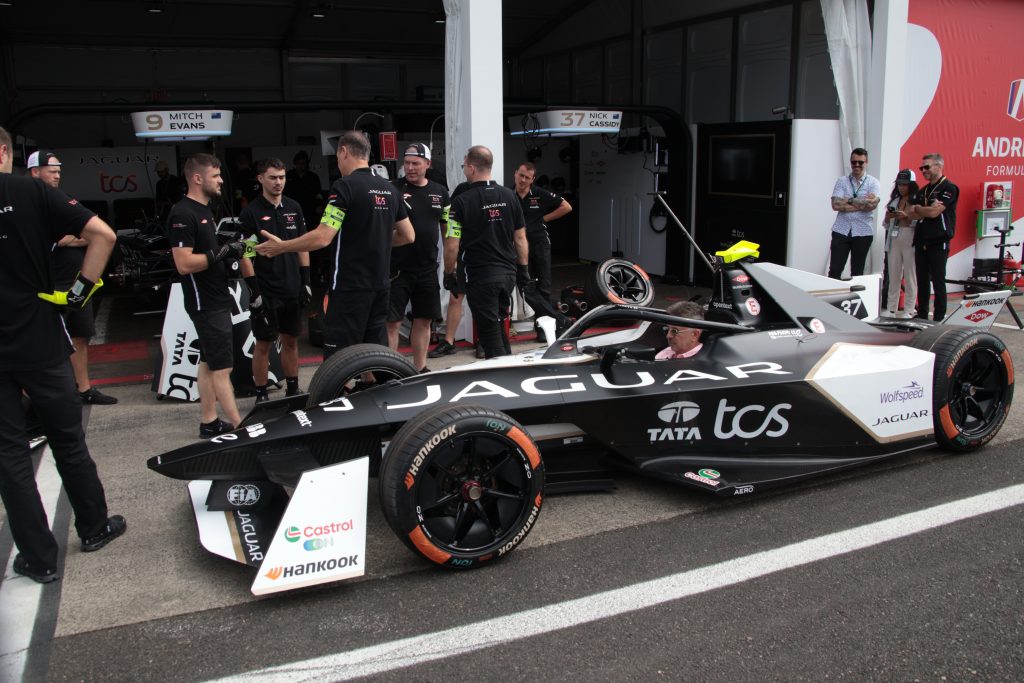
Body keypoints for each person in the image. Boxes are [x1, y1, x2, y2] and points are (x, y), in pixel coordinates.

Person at [0, 127, 126, 584]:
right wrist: (78, 292)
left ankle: (38, 558)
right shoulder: (31, 190)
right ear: (5, 152)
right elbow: (104, 235)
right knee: (67, 441)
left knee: (9, 455)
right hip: (39, 338)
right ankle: (94, 528)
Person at [255, 131, 414, 359]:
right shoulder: (389, 188)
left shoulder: (344, 186)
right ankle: (377, 390)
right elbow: (408, 235)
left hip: (350, 286)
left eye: (337, 156)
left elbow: (323, 237)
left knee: (338, 359)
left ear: (343, 151)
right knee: (374, 351)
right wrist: (374, 239)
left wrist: (282, 247)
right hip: (380, 284)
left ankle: (341, 394)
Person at [28, 150, 117, 405]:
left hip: (79, 281)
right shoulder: (31, 201)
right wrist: (79, 236)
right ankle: (52, 395)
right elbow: (69, 237)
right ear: (35, 171)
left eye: (59, 170)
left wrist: (75, 237)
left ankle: (84, 389)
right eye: (51, 170)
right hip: (51, 285)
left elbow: (94, 230)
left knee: (81, 334)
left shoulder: (61, 198)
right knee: (50, 341)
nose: (57, 174)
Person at [168, 153, 245, 437]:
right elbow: (184, 263)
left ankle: (209, 421)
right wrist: (221, 252)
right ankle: (240, 426)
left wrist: (228, 253)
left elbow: (208, 256)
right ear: (198, 179)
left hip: (216, 296)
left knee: (209, 362)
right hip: (206, 303)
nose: (221, 180)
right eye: (216, 175)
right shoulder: (183, 213)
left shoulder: (204, 211)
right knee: (223, 368)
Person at [444, 145, 530, 359]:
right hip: (507, 275)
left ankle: (502, 376)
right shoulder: (510, 196)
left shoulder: (461, 201)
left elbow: (452, 243)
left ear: (472, 168)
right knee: (499, 325)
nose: (464, 170)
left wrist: (449, 274)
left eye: (465, 166)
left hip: (480, 276)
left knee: (490, 333)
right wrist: (523, 269)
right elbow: (520, 238)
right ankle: (509, 368)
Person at [238, 158, 310, 403]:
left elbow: (303, 244)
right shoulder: (251, 212)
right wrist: (254, 292)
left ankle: (292, 390)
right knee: (264, 343)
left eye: (282, 177)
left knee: (291, 341)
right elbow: (245, 255)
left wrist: (306, 280)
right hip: (267, 290)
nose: (278, 182)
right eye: (273, 177)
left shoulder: (294, 207)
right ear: (261, 179)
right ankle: (261, 396)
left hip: (292, 287)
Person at [388, 143, 450, 372]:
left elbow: (447, 231)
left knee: (423, 320)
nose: (410, 168)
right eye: (407, 163)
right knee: (391, 322)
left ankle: (420, 368)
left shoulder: (440, 192)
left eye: (415, 163)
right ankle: (390, 371)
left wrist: (450, 265)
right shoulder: (393, 189)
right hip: (396, 269)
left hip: (427, 269)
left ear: (428, 164)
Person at [513, 162, 572, 308]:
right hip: (518, 245)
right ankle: (527, 315)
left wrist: (544, 219)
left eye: (527, 177)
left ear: (532, 180)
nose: (523, 180)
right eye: (521, 175)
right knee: (523, 281)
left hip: (539, 242)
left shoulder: (539, 193)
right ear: (515, 174)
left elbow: (567, 207)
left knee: (544, 284)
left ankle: (545, 320)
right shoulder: (508, 195)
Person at [908, 153, 959, 321]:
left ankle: (938, 318)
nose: (923, 171)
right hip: (922, 240)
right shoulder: (924, 190)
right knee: (922, 281)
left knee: (938, 281)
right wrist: (922, 209)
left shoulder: (949, 188)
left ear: (939, 166)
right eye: (921, 168)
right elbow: (912, 215)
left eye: (927, 167)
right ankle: (922, 315)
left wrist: (920, 209)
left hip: (939, 241)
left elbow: (934, 212)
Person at [828, 148, 881, 279]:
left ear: (866, 162)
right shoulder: (842, 181)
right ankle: (831, 298)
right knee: (835, 269)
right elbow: (835, 205)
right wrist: (862, 203)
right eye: (854, 162)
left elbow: (871, 205)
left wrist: (849, 200)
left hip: (863, 231)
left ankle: (855, 299)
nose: (856, 165)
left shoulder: (873, 182)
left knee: (857, 272)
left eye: (860, 162)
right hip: (841, 229)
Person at [883, 169, 919, 318]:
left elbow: (919, 222)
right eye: (899, 184)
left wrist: (906, 216)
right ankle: (891, 308)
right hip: (894, 236)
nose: (901, 187)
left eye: (904, 184)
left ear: (911, 185)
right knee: (894, 274)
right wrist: (888, 216)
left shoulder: (917, 201)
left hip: (910, 237)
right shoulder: (895, 201)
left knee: (910, 275)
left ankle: (909, 309)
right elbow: (885, 225)